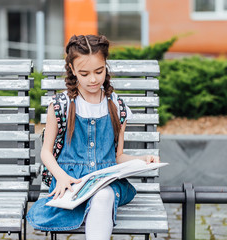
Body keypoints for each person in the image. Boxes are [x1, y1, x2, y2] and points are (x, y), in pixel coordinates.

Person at [27, 34, 160, 239]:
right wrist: (60, 176)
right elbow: (46, 151)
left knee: (103, 194)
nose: (93, 79)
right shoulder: (60, 105)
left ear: (106, 65)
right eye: (84, 73)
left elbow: (118, 157)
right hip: (70, 182)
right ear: (72, 70)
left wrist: (142, 160)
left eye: (99, 71)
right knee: (101, 197)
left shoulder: (117, 107)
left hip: (106, 182)